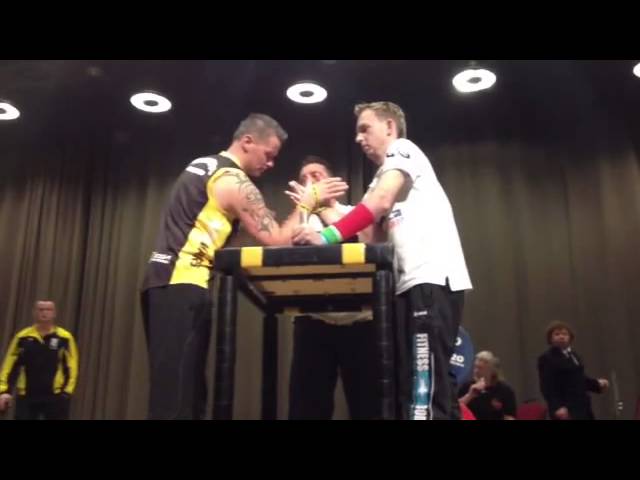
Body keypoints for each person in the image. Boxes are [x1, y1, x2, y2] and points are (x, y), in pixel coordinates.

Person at [141, 113, 347, 420]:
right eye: (269, 155)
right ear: (247, 142)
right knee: (179, 401)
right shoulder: (234, 180)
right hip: (183, 283)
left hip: (162, 282)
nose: (271, 163)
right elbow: (277, 242)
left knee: (179, 392)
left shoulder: (204, 165)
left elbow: (209, 228)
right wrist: (308, 202)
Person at [291, 101, 473, 420]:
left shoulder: (403, 149)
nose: (358, 138)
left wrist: (325, 236)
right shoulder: (379, 181)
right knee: (419, 388)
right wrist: (319, 206)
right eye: (357, 132)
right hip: (406, 288)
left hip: (428, 279)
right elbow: (368, 237)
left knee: (424, 392)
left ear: (390, 127)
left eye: (365, 129)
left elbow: (380, 203)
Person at [286, 156, 379, 420]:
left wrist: (321, 207)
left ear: (333, 182)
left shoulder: (353, 212)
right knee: (307, 408)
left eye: (316, 176)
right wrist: (305, 209)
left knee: (368, 406)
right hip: (312, 320)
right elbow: (277, 245)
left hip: (361, 320)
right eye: (304, 179)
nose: (310, 183)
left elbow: (366, 241)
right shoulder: (299, 219)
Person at [0, 300, 79, 420]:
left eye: (48, 310)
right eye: (41, 310)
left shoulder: (65, 338)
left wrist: (66, 392)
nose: (44, 313)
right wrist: (4, 391)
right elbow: (9, 365)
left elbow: (72, 367)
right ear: (34, 312)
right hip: (27, 395)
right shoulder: (22, 337)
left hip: (55, 396)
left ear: (54, 313)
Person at [537, 321, 609, 420]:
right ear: (550, 338)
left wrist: (597, 384)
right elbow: (547, 386)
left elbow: (579, 379)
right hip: (565, 408)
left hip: (582, 406)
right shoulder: (547, 358)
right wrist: (557, 407)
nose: (561, 336)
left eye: (564, 334)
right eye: (557, 334)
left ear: (570, 337)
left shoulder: (574, 356)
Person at [458, 351, 516, 420]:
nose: (476, 371)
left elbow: (510, 416)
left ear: (491, 371)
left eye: (480, 368)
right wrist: (470, 395)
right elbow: (455, 409)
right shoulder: (467, 387)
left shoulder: (505, 390)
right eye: (475, 367)